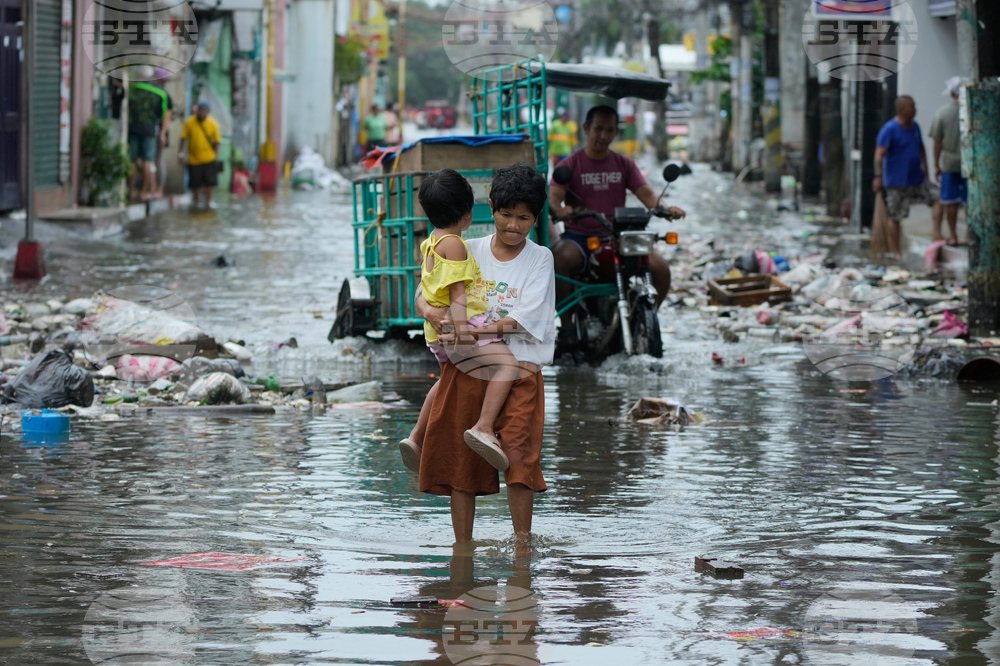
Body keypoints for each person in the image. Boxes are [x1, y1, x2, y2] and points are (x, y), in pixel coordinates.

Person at [414, 163, 555, 545]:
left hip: (521, 367)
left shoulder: (540, 258)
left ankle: (522, 547)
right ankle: (462, 548)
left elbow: (523, 319)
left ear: (536, 218)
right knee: (463, 465)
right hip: (470, 368)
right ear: (489, 208)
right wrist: (430, 313)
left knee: (519, 459)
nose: (513, 225)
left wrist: (468, 331)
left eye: (523, 218)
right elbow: (424, 292)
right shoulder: (466, 246)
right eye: (506, 214)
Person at [398, 169, 522, 473]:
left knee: (445, 381)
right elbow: (457, 293)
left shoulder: (430, 242)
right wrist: (465, 335)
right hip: (460, 328)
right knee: (508, 365)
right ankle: (484, 426)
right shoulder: (454, 244)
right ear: (468, 213)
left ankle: (416, 438)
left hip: (436, 333)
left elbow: (429, 287)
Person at [547, 105, 686, 343]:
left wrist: (665, 209)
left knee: (661, 269)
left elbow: (647, 195)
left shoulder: (624, 163)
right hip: (581, 237)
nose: (603, 136)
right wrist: (560, 210)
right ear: (586, 128)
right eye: (598, 129)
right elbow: (554, 196)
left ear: (615, 132)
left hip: (618, 236)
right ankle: (567, 327)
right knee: (559, 258)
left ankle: (645, 319)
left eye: (609, 130)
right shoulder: (570, 165)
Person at [873, 95, 939, 258]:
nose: (915, 110)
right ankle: (896, 252)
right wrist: (878, 176)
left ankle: (937, 234)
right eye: (912, 106)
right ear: (903, 109)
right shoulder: (889, 129)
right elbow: (879, 155)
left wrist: (926, 171)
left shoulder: (915, 126)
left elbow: (921, 149)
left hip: (916, 179)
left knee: (938, 197)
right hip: (896, 183)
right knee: (895, 216)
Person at [929, 76, 966, 246]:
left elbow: (937, 142)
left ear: (952, 94)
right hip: (971, 164)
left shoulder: (942, 113)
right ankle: (970, 235)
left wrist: (936, 165)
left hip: (950, 164)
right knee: (969, 201)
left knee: (951, 201)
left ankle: (953, 236)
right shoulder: (973, 110)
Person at [127, 70, 171, 202]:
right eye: (163, 81)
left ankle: (130, 192)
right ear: (158, 79)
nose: (163, 84)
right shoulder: (162, 93)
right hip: (149, 130)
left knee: (132, 160)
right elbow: (164, 116)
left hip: (133, 127)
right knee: (147, 161)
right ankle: (143, 193)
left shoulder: (136, 86)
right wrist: (162, 134)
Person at [178, 101, 221, 210]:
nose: (202, 113)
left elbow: (217, 142)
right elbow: (183, 139)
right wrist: (181, 154)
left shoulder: (213, 123)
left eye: (204, 111)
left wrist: (215, 156)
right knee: (194, 183)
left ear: (208, 112)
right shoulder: (189, 122)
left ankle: (209, 202)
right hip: (193, 159)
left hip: (209, 158)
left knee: (209, 183)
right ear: (197, 111)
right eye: (201, 110)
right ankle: (196, 202)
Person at [151, 69, 174, 198]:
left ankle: (159, 189)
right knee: (150, 161)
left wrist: (162, 134)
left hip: (160, 133)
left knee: (159, 162)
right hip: (149, 131)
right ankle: (152, 187)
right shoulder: (151, 92)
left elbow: (167, 116)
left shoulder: (165, 96)